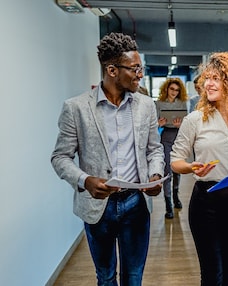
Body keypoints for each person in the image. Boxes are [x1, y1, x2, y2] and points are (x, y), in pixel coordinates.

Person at [51, 32, 164, 286]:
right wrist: (85, 180)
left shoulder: (146, 105)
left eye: (141, 68)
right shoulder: (76, 107)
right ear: (112, 70)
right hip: (97, 207)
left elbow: (154, 149)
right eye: (135, 68)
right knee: (105, 277)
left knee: (134, 277)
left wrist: (155, 174)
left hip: (136, 203)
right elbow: (60, 157)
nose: (140, 74)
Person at [170, 52, 228, 286]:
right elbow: (176, 161)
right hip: (206, 204)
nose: (208, 84)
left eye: (216, 78)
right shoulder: (194, 120)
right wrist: (191, 166)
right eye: (207, 78)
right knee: (212, 275)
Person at [155, 77, 189, 219]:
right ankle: (168, 204)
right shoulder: (158, 104)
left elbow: (186, 122)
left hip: (179, 137)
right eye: (172, 89)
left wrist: (180, 125)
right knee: (167, 170)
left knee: (177, 169)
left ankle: (176, 196)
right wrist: (159, 124)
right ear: (166, 89)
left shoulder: (182, 104)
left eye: (177, 90)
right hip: (166, 137)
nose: (174, 92)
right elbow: (153, 124)